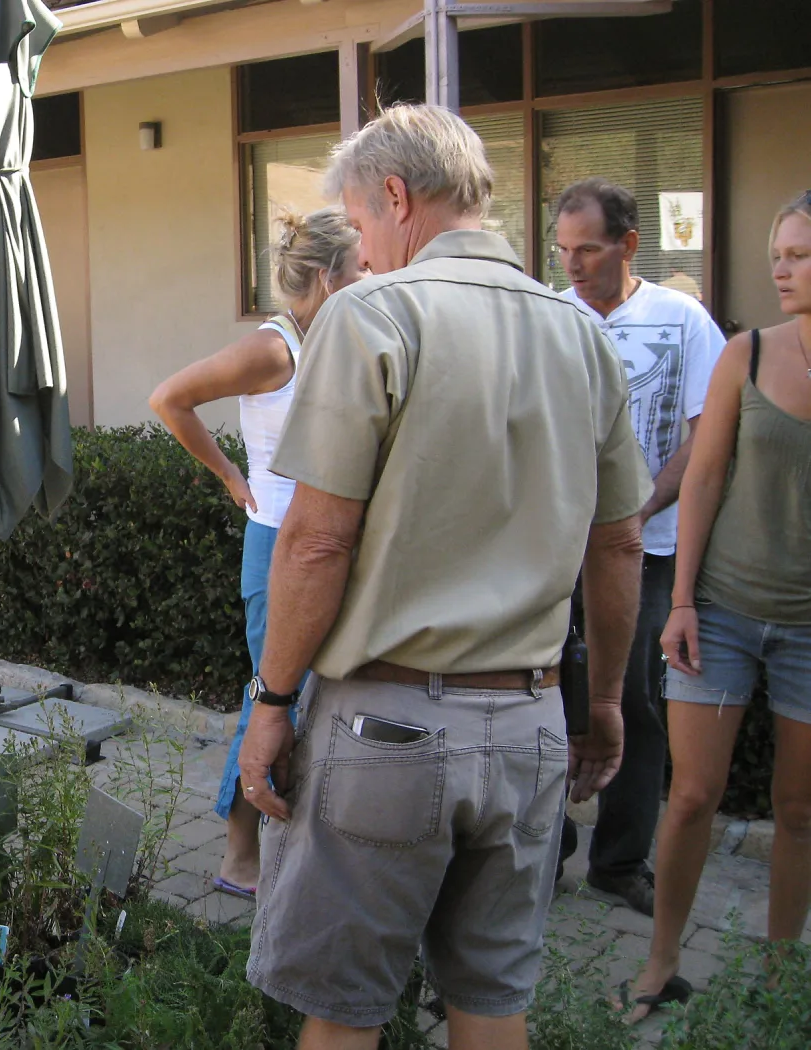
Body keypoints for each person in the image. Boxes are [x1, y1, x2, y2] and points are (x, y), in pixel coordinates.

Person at [238, 104, 650, 1050]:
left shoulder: (373, 313)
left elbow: (313, 542)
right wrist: (605, 707)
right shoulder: (585, 333)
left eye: (362, 222)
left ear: (396, 195)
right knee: (494, 1001)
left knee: (344, 1008)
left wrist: (272, 701)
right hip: (531, 726)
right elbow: (618, 544)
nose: (366, 250)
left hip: (387, 729)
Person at [624, 192, 811, 1020]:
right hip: (724, 611)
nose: (781, 267)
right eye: (779, 251)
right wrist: (684, 600)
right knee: (692, 794)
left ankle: (779, 981)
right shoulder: (748, 352)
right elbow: (701, 480)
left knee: (800, 810)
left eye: (800, 254)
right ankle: (659, 967)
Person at [149, 207, 363, 898]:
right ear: (329, 277)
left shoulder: (327, 338)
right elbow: (170, 399)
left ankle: (276, 847)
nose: (369, 276)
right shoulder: (276, 349)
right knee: (274, 695)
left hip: (318, 540)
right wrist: (230, 474)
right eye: (359, 267)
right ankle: (239, 856)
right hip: (277, 542)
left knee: (295, 695)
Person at [555, 177, 724, 914]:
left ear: (627, 245)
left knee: (634, 701)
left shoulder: (682, 320)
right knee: (547, 690)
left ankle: (619, 861)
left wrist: (641, 505)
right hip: (556, 550)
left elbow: (706, 434)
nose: (573, 265)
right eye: (562, 250)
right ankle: (544, 847)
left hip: (648, 551)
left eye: (587, 249)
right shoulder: (549, 318)